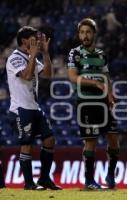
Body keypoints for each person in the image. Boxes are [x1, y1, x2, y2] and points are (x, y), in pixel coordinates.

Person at [5, 26, 61, 190]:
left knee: (50, 139)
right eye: (34, 38)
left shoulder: (33, 58)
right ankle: (29, 183)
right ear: (24, 40)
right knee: (26, 143)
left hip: (34, 107)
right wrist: (34, 55)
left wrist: (44, 53)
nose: (37, 41)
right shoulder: (14, 58)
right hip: (20, 109)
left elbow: (48, 74)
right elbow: (27, 75)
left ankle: (44, 179)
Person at [67, 18, 120, 190]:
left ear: (94, 34)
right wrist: (96, 84)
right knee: (91, 142)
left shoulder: (101, 54)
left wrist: (110, 94)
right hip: (86, 102)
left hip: (103, 103)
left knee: (113, 139)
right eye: (82, 32)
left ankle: (110, 175)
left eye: (88, 32)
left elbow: (106, 78)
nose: (85, 35)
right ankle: (89, 180)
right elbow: (73, 77)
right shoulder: (75, 53)